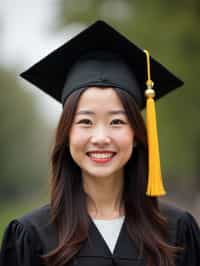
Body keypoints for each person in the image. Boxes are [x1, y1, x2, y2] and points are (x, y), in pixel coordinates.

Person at [0, 20, 199, 266]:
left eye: (117, 121)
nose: (101, 137)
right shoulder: (32, 236)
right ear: (67, 134)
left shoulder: (176, 232)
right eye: (86, 121)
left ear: (137, 135)